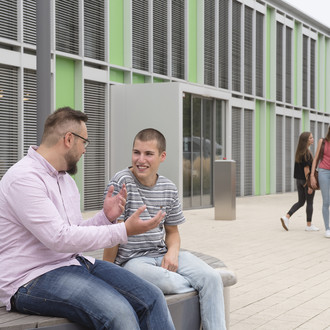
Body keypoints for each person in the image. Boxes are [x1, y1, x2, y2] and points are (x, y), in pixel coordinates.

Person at [0, 107, 175, 330]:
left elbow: (73, 231)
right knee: (119, 314)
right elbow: (59, 238)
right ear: (69, 139)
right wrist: (124, 231)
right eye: (84, 142)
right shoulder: (23, 178)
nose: (85, 150)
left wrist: (105, 217)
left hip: (73, 262)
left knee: (152, 297)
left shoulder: (65, 180)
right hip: (29, 278)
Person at [103, 128, 226, 330]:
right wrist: (107, 271)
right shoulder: (121, 181)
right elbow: (112, 234)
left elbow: (173, 233)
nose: (140, 159)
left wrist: (173, 253)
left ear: (162, 156)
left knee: (212, 277)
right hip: (132, 262)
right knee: (167, 282)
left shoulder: (169, 188)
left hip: (160, 254)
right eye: (136, 152)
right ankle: (204, 288)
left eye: (148, 154)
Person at [280, 132, 319, 232]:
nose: (313, 139)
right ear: (306, 140)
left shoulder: (299, 152)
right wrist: (310, 185)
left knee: (301, 201)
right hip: (306, 181)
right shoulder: (306, 153)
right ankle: (309, 225)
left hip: (299, 181)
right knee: (309, 202)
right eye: (310, 138)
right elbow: (307, 170)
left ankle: (287, 217)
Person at [311, 127, 330, 238]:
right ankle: (327, 229)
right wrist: (312, 175)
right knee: (326, 202)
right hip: (324, 173)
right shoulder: (322, 141)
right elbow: (316, 159)